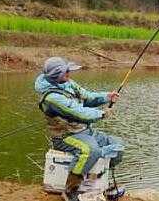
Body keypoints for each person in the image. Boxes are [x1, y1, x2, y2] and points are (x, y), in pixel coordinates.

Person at [35, 57, 124, 201]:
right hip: (65, 137)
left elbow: (87, 97)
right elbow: (79, 113)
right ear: (56, 76)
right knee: (90, 150)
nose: (69, 73)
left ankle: (102, 182)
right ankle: (70, 191)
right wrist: (102, 113)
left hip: (84, 131)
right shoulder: (52, 98)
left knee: (117, 145)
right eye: (66, 72)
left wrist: (106, 97)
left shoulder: (68, 84)